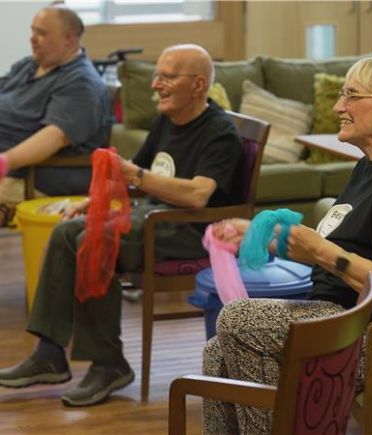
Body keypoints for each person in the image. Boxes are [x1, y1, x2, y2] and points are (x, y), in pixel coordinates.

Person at [202, 56, 372, 434]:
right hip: (351, 322)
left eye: (350, 95)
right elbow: (341, 249)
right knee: (218, 350)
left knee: (239, 320)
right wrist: (262, 236)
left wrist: (321, 250)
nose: (337, 107)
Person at [0, 44, 243, 407]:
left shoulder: (220, 131)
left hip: (194, 231)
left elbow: (197, 195)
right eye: (156, 75)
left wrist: (137, 177)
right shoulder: (167, 120)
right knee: (68, 230)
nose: (156, 85)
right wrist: (93, 198)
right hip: (156, 218)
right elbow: (129, 175)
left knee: (94, 238)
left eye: (167, 77)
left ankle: (109, 363)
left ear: (198, 84)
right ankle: (49, 352)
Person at [0, 3, 112, 226]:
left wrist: (5, 162)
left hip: (30, 176)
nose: (32, 38)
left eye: (41, 33)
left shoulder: (81, 83)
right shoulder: (29, 65)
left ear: (69, 39)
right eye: (32, 30)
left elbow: (55, 136)